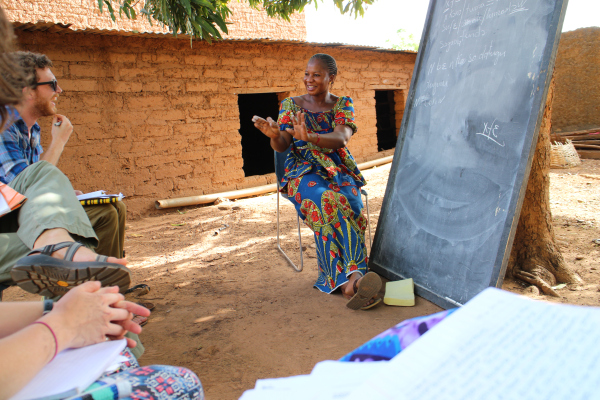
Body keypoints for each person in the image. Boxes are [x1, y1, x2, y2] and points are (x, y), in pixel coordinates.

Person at [252, 53, 382, 310]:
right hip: (302, 171)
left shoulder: (343, 103)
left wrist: (312, 137)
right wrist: (274, 136)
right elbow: (283, 144)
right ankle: (352, 277)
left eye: (316, 75)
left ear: (331, 78)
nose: (309, 80)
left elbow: (342, 137)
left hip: (338, 168)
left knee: (349, 201)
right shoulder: (291, 105)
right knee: (326, 199)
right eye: (306, 74)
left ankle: (350, 281)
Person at [0, 51, 126, 259]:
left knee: (115, 207)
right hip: (9, 217)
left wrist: (65, 194)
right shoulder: (5, 127)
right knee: (103, 214)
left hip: (28, 212)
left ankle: (106, 284)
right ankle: (78, 286)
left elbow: (34, 178)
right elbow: (24, 189)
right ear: (28, 92)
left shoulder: (32, 129)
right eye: (52, 84)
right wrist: (58, 142)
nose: (59, 89)